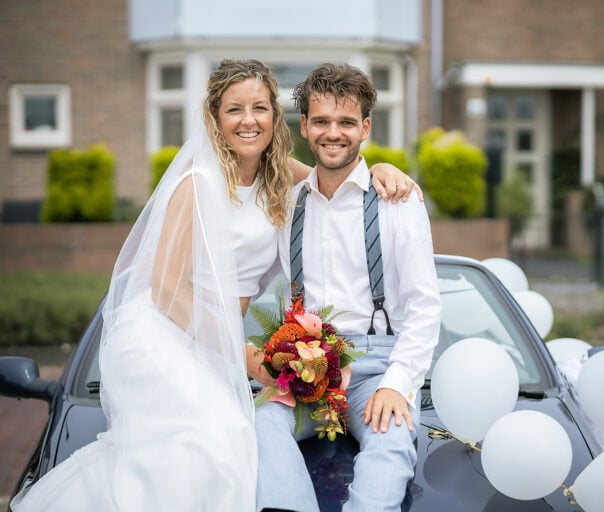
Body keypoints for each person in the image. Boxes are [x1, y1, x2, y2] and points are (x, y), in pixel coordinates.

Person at [10, 59, 416, 512]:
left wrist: (383, 168)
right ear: (214, 118)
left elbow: (338, 173)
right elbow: (165, 286)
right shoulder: (197, 183)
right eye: (234, 109)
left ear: (275, 117)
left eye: (259, 108)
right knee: (217, 438)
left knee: (236, 436)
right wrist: (244, 354)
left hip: (218, 344)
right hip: (164, 332)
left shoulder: (280, 174)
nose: (248, 120)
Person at [252, 62, 441, 512]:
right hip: (301, 369)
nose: (332, 132)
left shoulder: (397, 202)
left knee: (392, 438)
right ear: (305, 126)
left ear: (365, 128)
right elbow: (245, 281)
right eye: (321, 121)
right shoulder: (288, 204)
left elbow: (425, 307)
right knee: (256, 422)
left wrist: (396, 383)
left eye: (346, 122)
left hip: (375, 366)